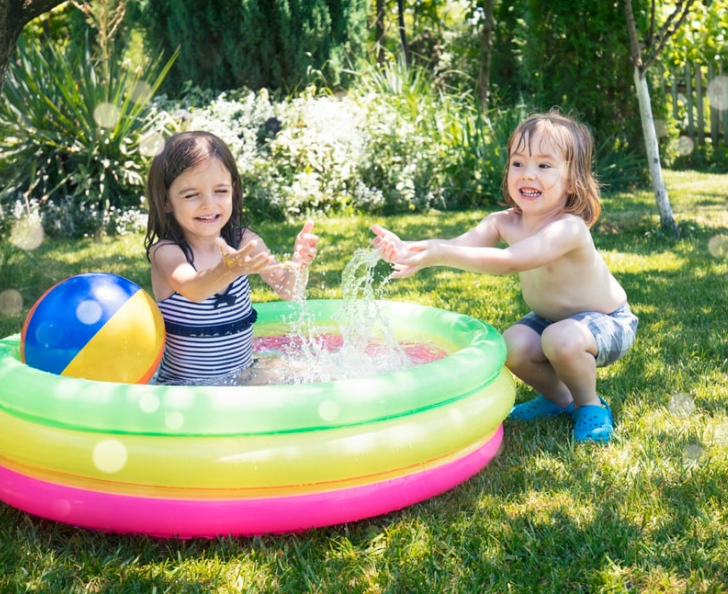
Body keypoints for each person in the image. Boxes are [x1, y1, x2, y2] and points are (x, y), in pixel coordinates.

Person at [371, 111, 637, 443]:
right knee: (510, 346)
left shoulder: (568, 228)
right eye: (518, 163)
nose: (528, 174)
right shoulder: (505, 222)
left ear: (571, 181)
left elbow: (510, 261)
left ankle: (590, 405)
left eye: (544, 165)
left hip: (607, 322)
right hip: (552, 321)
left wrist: (441, 252)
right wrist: (413, 251)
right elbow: (460, 246)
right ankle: (560, 400)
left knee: (561, 340)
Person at [144, 131, 318, 385]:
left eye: (220, 191)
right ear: (166, 200)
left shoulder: (244, 241)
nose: (208, 204)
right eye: (191, 195)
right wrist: (228, 270)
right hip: (187, 388)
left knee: (313, 377)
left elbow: (289, 290)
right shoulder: (167, 252)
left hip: (243, 376)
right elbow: (193, 289)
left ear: (233, 191)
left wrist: (300, 264)